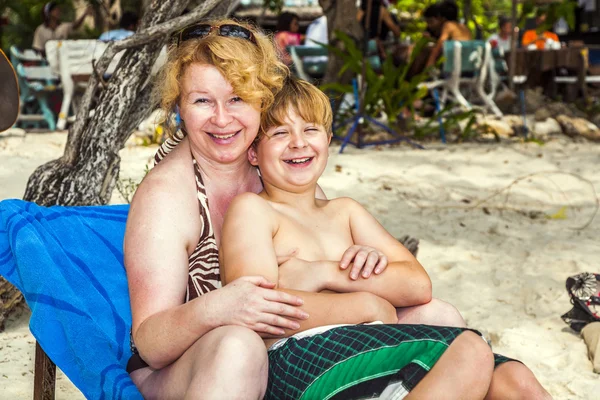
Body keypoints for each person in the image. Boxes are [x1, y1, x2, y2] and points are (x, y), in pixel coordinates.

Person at [123, 18, 490, 399]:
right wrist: (215, 309)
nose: (221, 118)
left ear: (263, 100)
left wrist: (351, 260)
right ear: (179, 106)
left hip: (282, 345)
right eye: (202, 100)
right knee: (237, 346)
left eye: (237, 98)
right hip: (190, 365)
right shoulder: (168, 195)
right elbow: (150, 343)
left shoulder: (274, 167)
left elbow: (319, 268)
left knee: (439, 316)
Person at [220, 76, 552, 399]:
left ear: (328, 139)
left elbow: (417, 285)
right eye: (280, 133)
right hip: (299, 357)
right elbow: (260, 313)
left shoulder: (345, 212)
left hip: (367, 346)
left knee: (515, 380)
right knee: (470, 352)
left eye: (310, 129)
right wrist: (367, 302)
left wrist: (324, 273)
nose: (298, 142)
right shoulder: (254, 210)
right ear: (253, 153)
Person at [424, 1, 472, 68]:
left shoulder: (448, 25)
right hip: (467, 64)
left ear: (442, 18)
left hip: (455, 65)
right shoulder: (463, 27)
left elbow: (439, 45)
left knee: (427, 51)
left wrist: (429, 64)